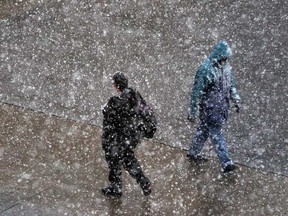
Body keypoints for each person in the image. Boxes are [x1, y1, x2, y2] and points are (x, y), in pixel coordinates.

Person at [187, 41, 241, 173]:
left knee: (204, 131)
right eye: (224, 58)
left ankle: (193, 152)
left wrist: (236, 99)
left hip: (220, 108)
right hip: (210, 109)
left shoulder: (226, 67)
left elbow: (231, 84)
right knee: (216, 134)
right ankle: (226, 163)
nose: (225, 60)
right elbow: (197, 91)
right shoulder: (206, 69)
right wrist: (193, 111)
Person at [101, 71, 151, 197]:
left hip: (119, 138)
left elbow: (109, 120)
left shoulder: (115, 102)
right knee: (128, 159)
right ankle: (143, 182)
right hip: (132, 136)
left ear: (116, 86)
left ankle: (116, 187)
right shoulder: (135, 95)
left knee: (114, 160)